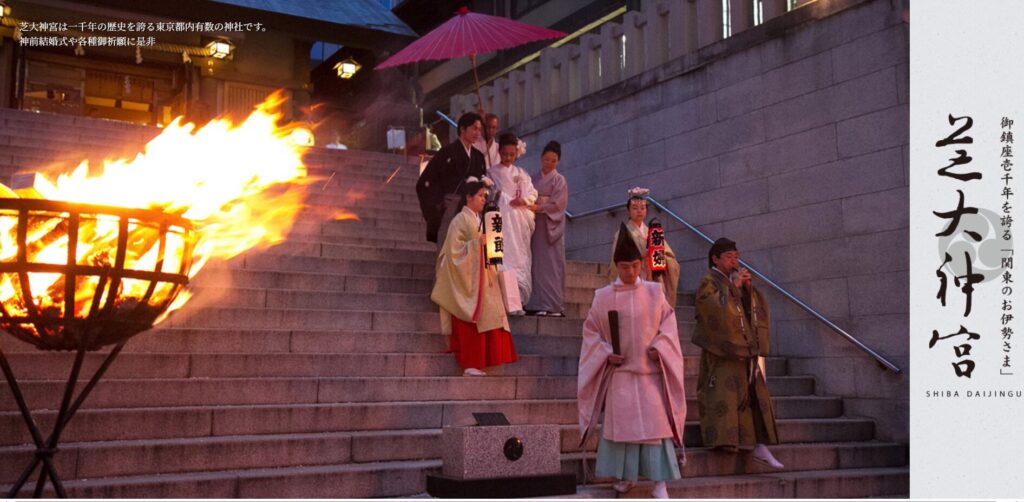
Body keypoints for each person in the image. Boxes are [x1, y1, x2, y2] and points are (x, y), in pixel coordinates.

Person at [577, 224, 686, 499]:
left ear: (641, 264)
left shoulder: (654, 292)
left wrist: (660, 346)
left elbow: (668, 325)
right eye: (625, 267)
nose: (631, 272)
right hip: (621, 373)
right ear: (617, 266)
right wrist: (604, 353)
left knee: (655, 431)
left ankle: (659, 483)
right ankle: (625, 477)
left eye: (636, 266)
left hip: (649, 373)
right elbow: (591, 332)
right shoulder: (603, 297)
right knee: (621, 432)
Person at [693, 238, 784, 469]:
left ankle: (758, 445)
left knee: (751, 398)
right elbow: (710, 309)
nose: (735, 261)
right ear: (715, 258)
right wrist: (732, 286)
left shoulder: (731, 280)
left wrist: (746, 289)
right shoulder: (708, 280)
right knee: (725, 397)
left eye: (736, 256)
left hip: (744, 350)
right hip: (722, 352)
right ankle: (725, 440)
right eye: (729, 257)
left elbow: (749, 309)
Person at [431, 176, 518, 377]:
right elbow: (453, 252)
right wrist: (476, 245)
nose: (483, 199)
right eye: (480, 195)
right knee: (470, 317)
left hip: (482, 277)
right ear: (468, 197)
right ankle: (470, 363)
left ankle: (483, 360)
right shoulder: (460, 220)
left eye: (484, 196)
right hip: (468, 280)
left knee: (488, 317)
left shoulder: (479, 219)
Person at [416, 112, 486, 248]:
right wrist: (438, 204)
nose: (478, 133)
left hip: (473, 211)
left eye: (479, 129)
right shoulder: (446, 153)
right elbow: (424, 183)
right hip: (451, 208)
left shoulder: (478, 157)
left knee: (471, 252)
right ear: (462, 129)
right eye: (474, 128)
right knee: (449, 252)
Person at [487, 132, 538, 310]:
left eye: (511, 154)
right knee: (502, 256)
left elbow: (532, 193)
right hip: (501, 218)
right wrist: (501, 197)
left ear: (516, 153)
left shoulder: (521, 173)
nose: (508, 158)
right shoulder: (492, 172)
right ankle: (500, 299)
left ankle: (516, 301)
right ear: (499, 152)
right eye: (504, 154)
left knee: (519, 257)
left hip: (518, 221)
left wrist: (523, 201)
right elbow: (489, 195)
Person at [608, 188, 681, 309]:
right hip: (635, 278)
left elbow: (670, 257)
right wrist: (641, 259)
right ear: (628, 211)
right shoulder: (622, 234)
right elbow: (616, 263)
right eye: (635, 208)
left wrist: (660, 258)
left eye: (643, 208)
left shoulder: (652, 233)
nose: (639, 211)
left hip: (653, 278)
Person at [524, 141, 568, 317]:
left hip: (551, 225)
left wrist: (541, 207)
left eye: (553, 160)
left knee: (551, 264)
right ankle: (535, 302)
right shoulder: (532, 179)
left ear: (558, 162)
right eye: (547, 159)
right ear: (541, 158)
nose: (549, 163)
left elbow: (559, 204)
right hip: (536, 224)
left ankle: (552, 304)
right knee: (535, 263)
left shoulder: (560, 180)